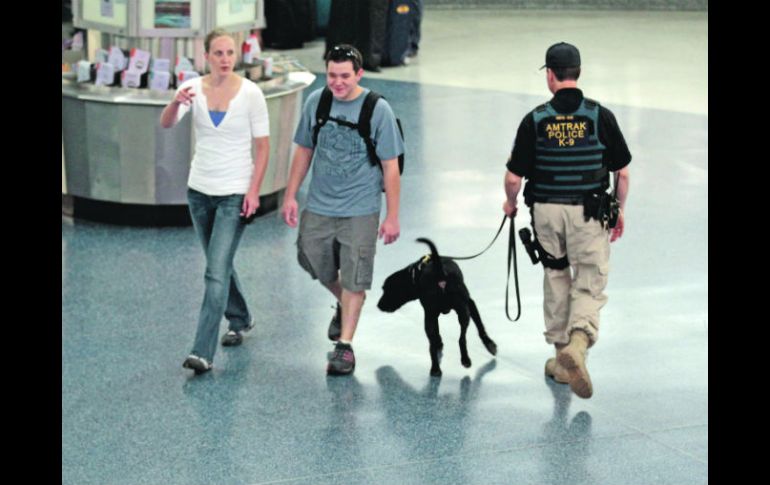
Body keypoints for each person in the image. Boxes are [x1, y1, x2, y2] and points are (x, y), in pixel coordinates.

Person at [502, 42, 631, 398]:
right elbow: (622, 172)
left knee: (556, 275)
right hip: (588, 212)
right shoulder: (599, 116)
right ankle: (579, 342)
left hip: (545, 212)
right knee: (589, 280)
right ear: (578, 73)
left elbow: (514, 178)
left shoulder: (535, 119)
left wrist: (510, 204)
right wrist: (618, 210)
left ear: (550, 75)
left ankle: (561, 359)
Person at [281, 44, 403, 376]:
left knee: (356, 279)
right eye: (332, 75)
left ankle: (344, 347)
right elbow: (304, 150)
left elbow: (390, 166)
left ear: (359, 74)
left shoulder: (378, 110)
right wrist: (291, 195)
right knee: (311, 259)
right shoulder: (316, 102)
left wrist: (392, 215)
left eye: (345, 76)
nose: (337, 82)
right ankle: (345, 300)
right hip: (320, 202)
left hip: (361, 208)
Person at [160, 29, 271, 375]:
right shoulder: (193, 88)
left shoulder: (251, 94)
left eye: (230, 53)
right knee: (218, 263)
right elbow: (166, 123)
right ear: (206, 56)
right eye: (218, 53)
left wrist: (253, 191)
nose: (225, 59)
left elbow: (263, 147)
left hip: (233, 193)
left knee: (214, 272)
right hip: (199, 192)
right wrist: (177, 101)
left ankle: (202, 352)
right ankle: (241, 317)